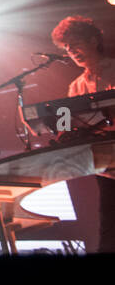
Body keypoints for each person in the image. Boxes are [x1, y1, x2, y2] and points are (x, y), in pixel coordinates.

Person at [50, 16, 115, 253]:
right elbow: (66, 124)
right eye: (67, 48)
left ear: (93, 40)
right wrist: (62, 132)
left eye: (75, 43)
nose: (71, 51)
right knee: (109, 228)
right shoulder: (75, 86)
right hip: (106, 168)